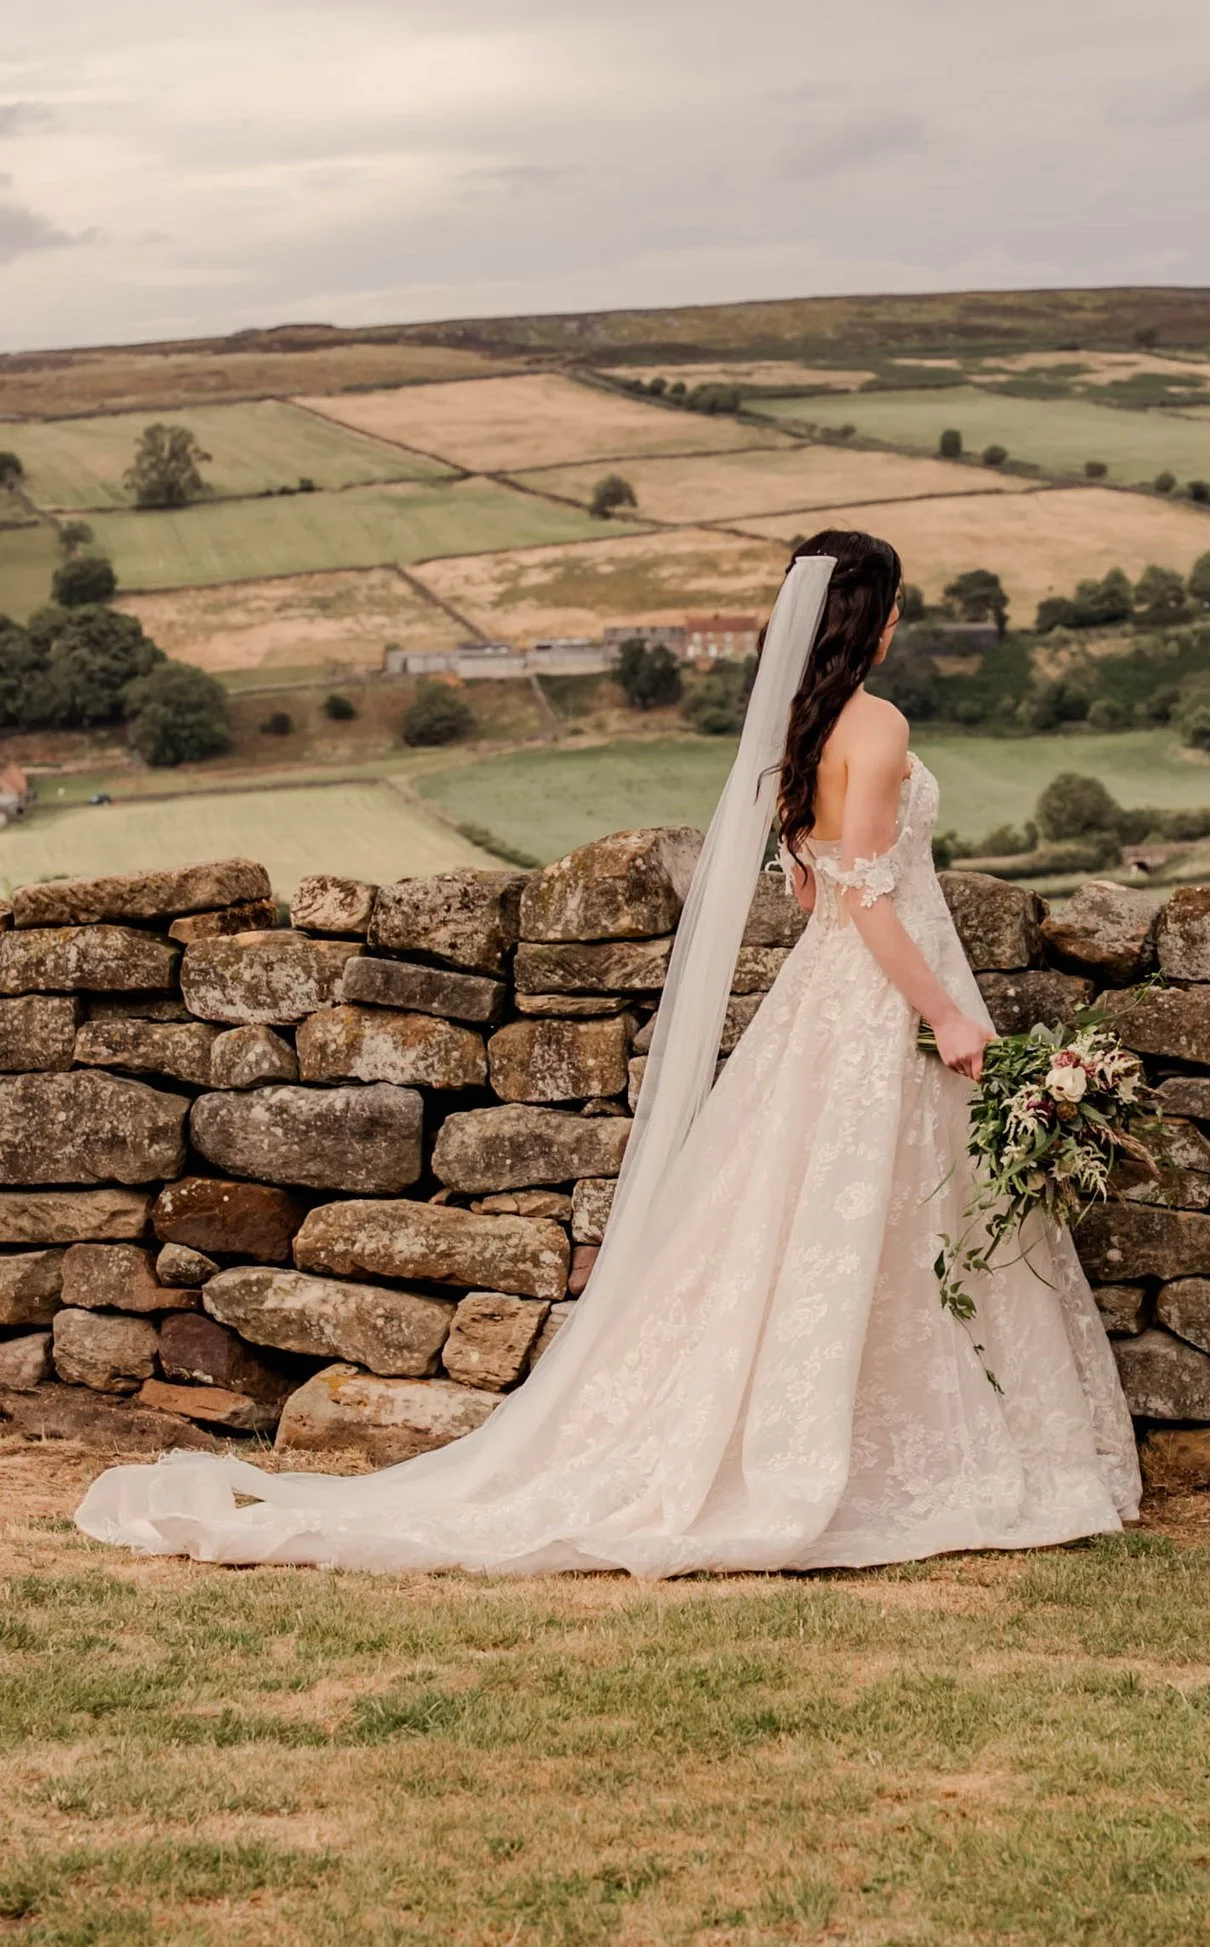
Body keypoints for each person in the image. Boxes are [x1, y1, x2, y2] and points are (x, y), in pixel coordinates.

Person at [76, 531, 1139, 1576]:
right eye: (899, 604)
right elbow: (862, 898)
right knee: (883, 1207)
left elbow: (808, 876)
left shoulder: (803, 728)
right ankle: (893, 1444)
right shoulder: (879, 723)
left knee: (819, 1210)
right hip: (877, 990)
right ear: (880, 616)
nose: (903, 621)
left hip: (823, 995)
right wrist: (947, 1015)